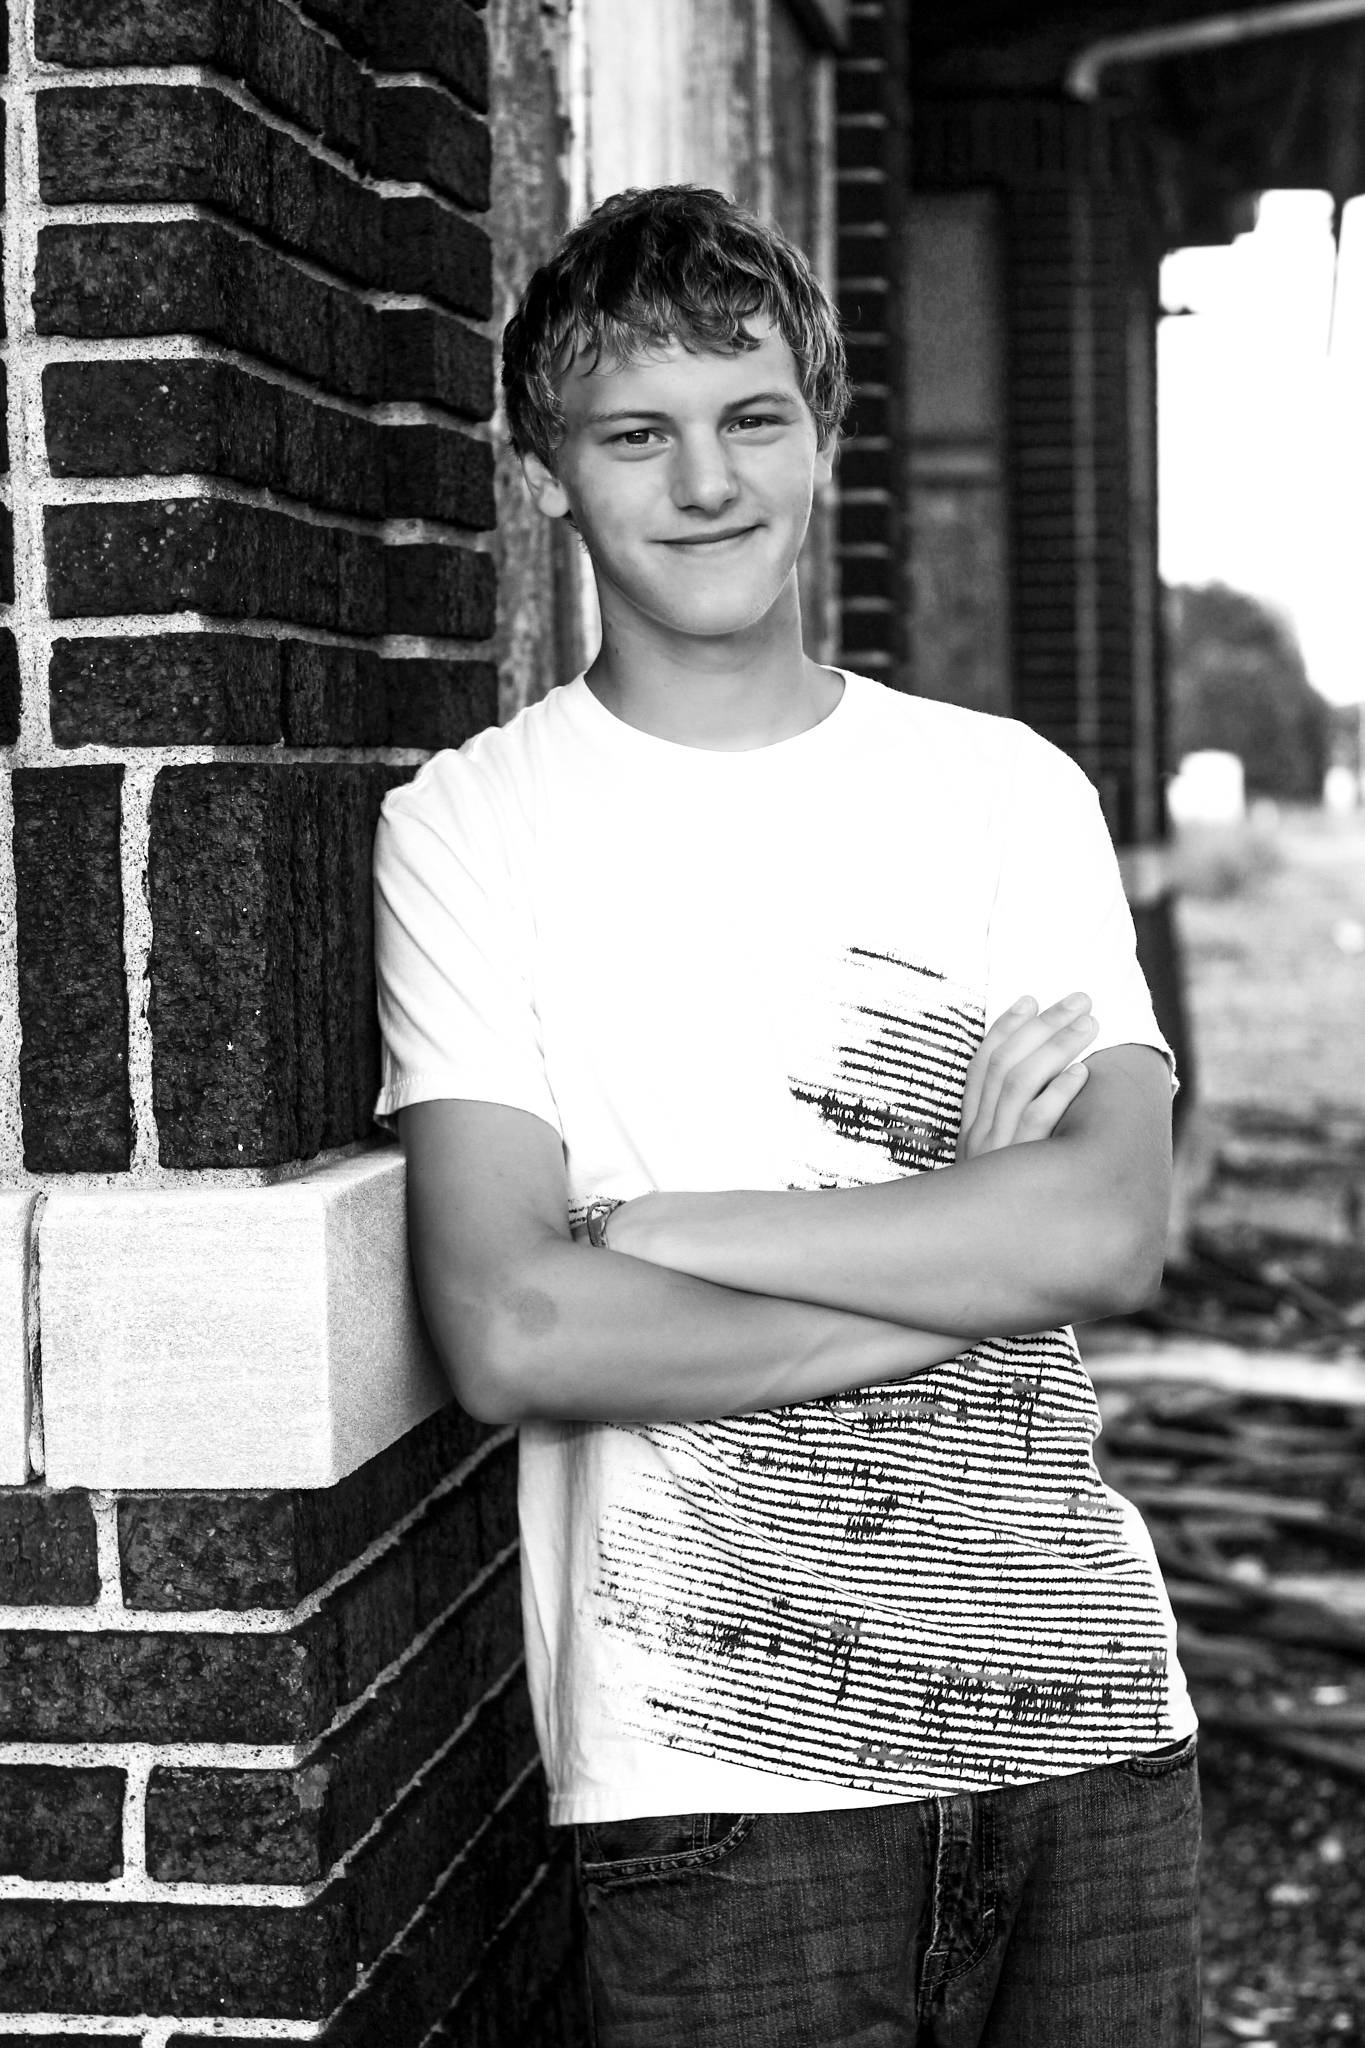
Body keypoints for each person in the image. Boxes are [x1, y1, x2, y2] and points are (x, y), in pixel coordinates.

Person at [374, 185, 1199, 2048]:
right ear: (548, 473)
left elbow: (1106, 1235)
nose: (703, 480)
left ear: (823, 433)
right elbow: (517, 1331)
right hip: (721, 1789)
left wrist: (667, 1236)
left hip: (1088, 1731)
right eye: (632, 432)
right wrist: (968, 1238)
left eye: (750, 417)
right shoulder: (470, 827)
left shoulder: (1002, 792)